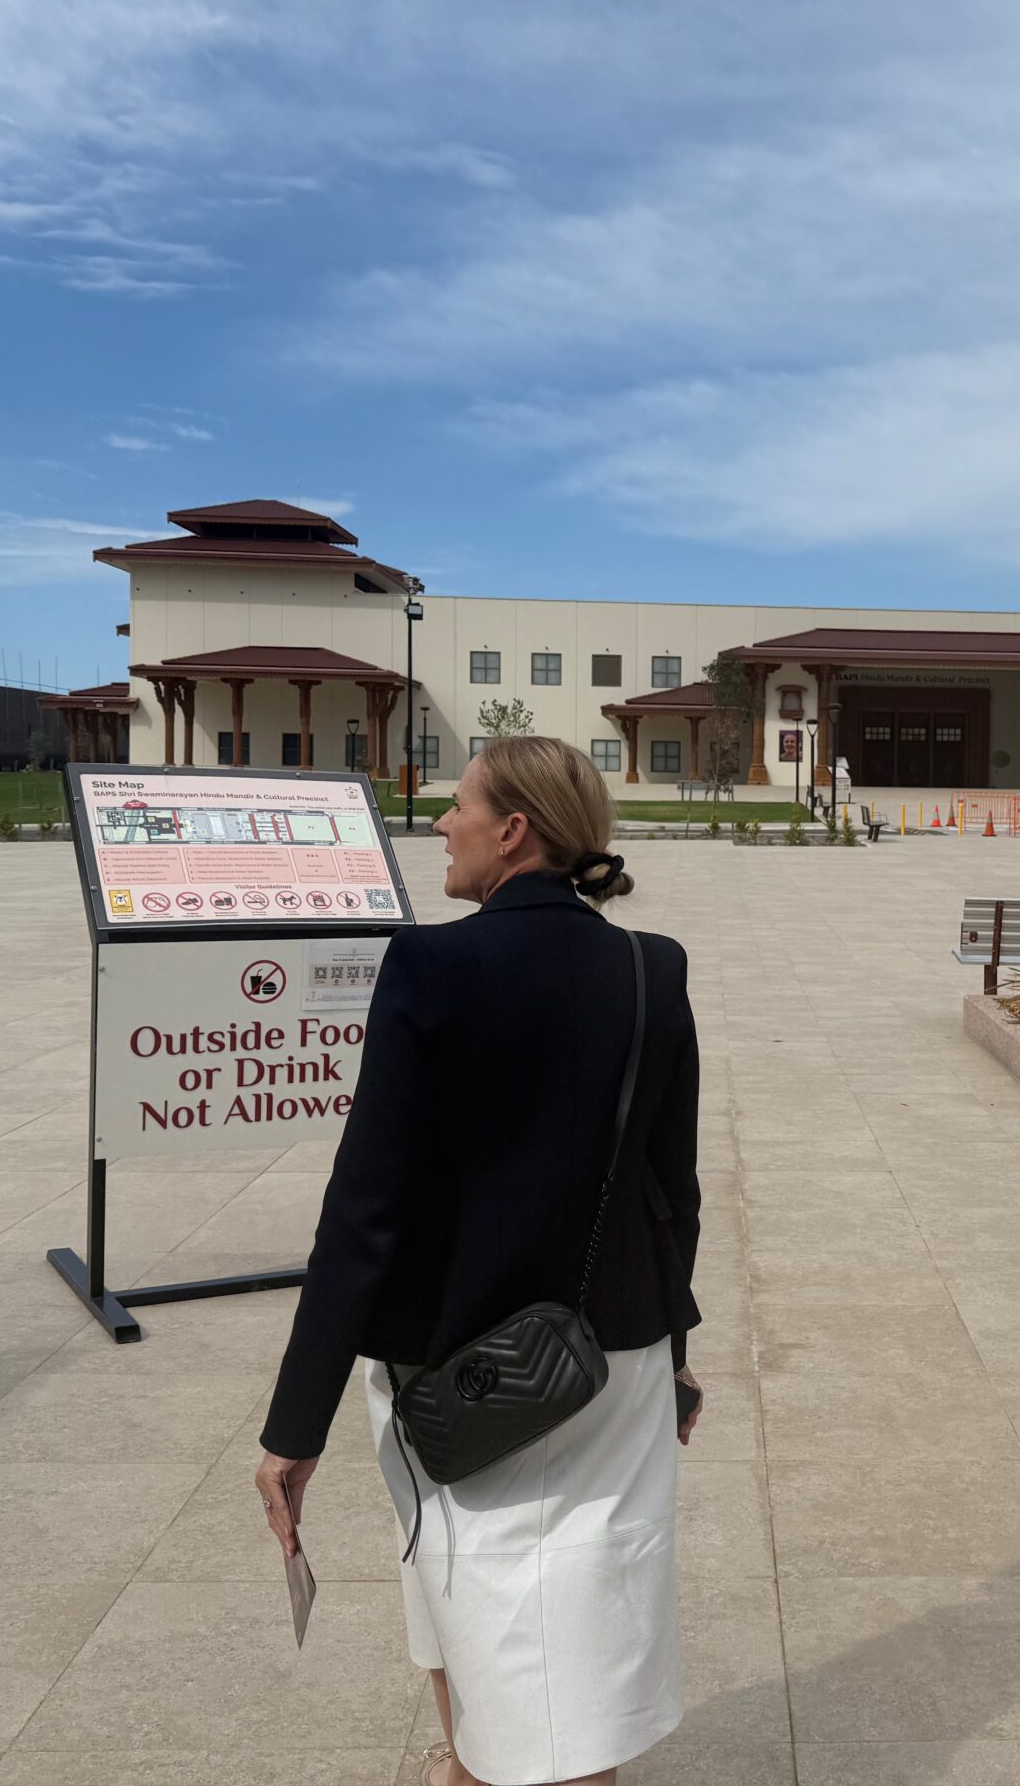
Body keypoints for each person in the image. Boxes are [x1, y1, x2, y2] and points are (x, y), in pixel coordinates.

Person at [255, 735, 704, 1786]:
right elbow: (670, 1193)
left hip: (456, 1367)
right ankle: (466, 1767)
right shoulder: (653, 968)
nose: (441, 824)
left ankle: (494, 1766)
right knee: (585, 1613)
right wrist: (677, 1355)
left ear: (513, 831)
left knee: (472, 1589)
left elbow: (364, 1213)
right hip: (612, 1358)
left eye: (458, 806)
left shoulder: (432, 965)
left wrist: (294, 1427)